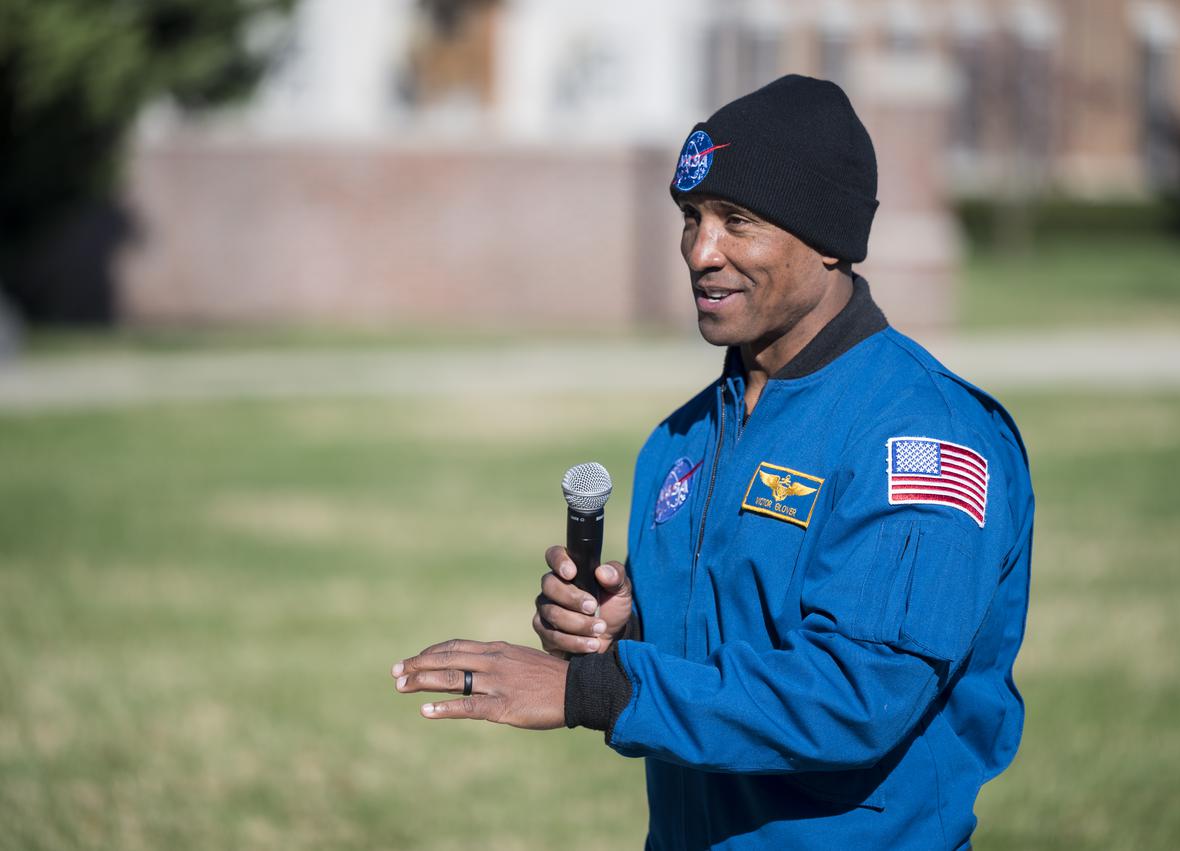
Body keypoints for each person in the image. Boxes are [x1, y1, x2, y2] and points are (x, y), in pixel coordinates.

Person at [390, 75, 1034, 849]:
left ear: (828, 238)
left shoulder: (923, 438)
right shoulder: (679, 439)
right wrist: (620, 630)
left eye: (739, 222)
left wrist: (592, 688)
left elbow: (859, 693)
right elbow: (718, 658)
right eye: (692, 218)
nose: (702, 251)